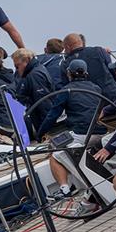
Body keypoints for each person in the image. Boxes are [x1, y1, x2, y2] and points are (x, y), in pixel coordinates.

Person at [42, 60, 105, 200]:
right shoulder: (97, 88)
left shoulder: (66, 91)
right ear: (86, 73)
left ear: (69, 74)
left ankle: (64, 189)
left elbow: (53, 115)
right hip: (100, 133)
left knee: (54, 151)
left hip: (82, 135)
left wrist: (40, 132)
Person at [61, 33, 116, 103]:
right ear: (81, 42)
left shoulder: (65, 64)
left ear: (67, 47)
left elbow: (65, 88)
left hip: (88, 106)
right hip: (113, 100)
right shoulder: (99, 51)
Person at [12, 48, 54, 140]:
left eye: (17, 66)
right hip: (36, 118)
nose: (17, 70)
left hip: (40, 122)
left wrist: (44, 131)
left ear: (26, 60)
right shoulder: (35, 70)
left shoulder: (35, 75)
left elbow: (43, 103)